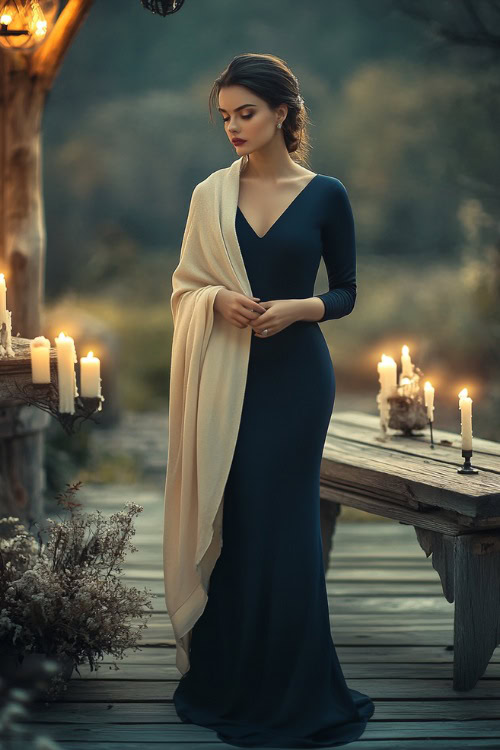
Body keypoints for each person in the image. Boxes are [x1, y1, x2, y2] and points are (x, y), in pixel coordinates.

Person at [166, 52, 375, 747]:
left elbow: (346, 291)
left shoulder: (327, 194)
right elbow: (184, 288)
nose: (233, 127)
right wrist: (215, 298)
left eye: (245, 113)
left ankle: (297, 684)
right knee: (241, 519)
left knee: (286, 528)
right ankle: (231, 674)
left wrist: (301, 308)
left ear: (283, 111)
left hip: (295, 379)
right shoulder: (209, 196)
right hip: (227, 377)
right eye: (224, 116)